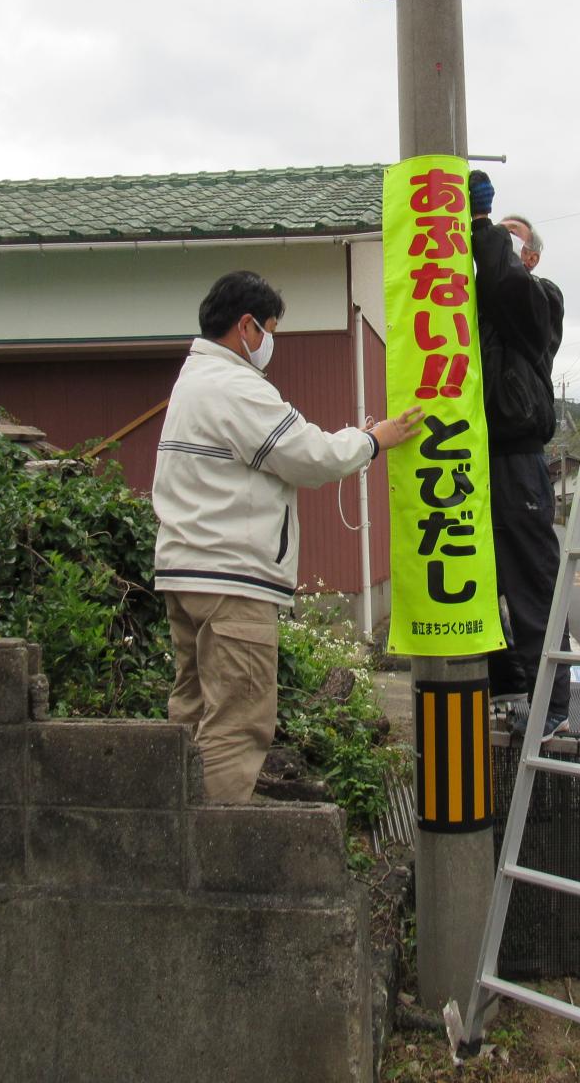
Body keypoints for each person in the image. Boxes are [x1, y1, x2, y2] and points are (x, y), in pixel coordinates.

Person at [153, 270, 422, 802]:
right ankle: (214, 850)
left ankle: (175, 827)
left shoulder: (194, 380)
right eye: (270, 329)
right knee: (237, 721)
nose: (271, 343)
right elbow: (307, 456)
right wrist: (374, 440)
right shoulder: (234, 386)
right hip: (231, 580)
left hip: (187, 573)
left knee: (193, 709)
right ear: (247, 326)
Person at [467, 172, 571, 738]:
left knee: (531, 582)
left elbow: (502, 282)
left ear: (528, 257)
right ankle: (507, 683)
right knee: (480, 578)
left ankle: (553, 703)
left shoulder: (538, 298)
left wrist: (485, 225)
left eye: (512, 239)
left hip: (515, 459)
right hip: (472, 455)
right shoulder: (474, 305)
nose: (498, 246)